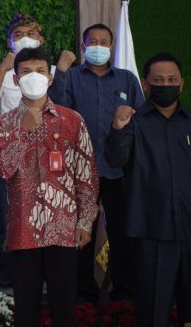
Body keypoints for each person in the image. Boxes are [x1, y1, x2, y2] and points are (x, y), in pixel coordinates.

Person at [0, 47, 99, 327]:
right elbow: (1, 169)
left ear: (50, 78)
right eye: (26, 72)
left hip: (64, 229)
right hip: (23, 230)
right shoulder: (2, 125)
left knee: (64, 308)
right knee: (26, 311)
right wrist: (23, 132)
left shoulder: (72, 120)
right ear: (16, 79)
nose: (33, 77)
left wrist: (85, 222)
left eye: (39, 71)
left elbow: (86, 174)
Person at [49, 23, 144, 302]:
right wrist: (61, 72)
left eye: (104, 42)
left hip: (118, 170)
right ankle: (84, 293)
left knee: (123, 232)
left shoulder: (127, 79)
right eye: (93, 41)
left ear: (112, 47)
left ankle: (124, 292)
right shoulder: (71, 76)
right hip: (78, 172)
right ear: (83, 46)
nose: (98, 46)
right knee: (80, 234)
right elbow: (55, 111)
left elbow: (140, 120)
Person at [106, 52, 190, 326]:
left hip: (189, 228)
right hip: (152, 232)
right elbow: (115, 159)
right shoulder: (133, 121)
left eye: (172, 80)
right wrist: (118, 127)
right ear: (146, 84)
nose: (166, 84)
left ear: (181, 84)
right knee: (153, 313)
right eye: (159, 80)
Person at [0, 13, 56, 287]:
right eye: (18, 34)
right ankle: (7, 286)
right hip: (8, 158)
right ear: (10, 41)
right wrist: (3, 69)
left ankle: (43, 285)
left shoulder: (52, 71)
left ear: (41, 39)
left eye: (30, 34)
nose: (24, 38)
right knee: (9, 223)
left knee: (46, 220)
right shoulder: (2, 69)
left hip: (46, 158)